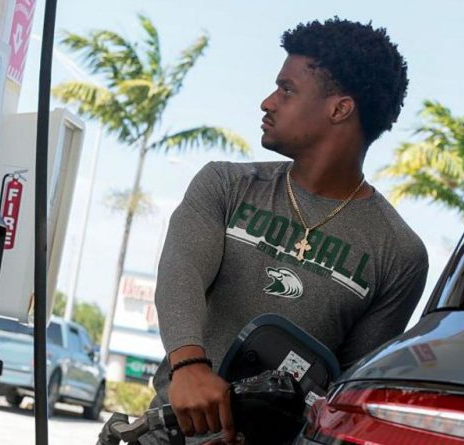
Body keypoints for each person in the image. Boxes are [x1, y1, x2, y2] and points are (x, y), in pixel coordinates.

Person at [134, 18, 428, 444]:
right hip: (168, 435)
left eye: (287, 90)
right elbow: (181, 276)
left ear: (339, 109)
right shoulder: (226, 185)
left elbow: (346, 396)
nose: (267, 102)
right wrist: (189, 367)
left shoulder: (398, 253)